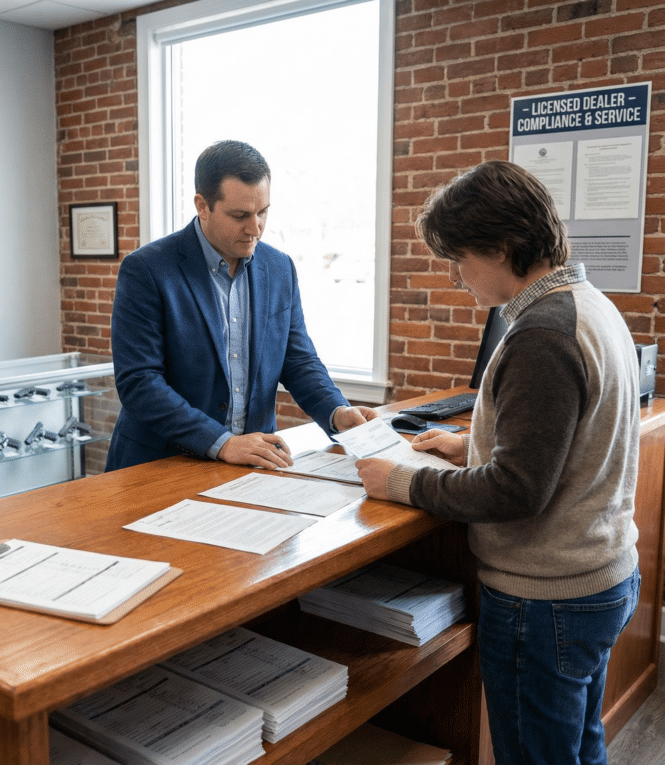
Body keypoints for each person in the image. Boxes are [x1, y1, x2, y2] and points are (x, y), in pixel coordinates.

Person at [356, 160, 641, 765]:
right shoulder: (587, 303)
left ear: (504, 246)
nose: (458, 277)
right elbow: (575, 440)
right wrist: (473, 446)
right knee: (579, 747)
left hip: (547, 598)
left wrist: (402, 482)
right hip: (601, 574)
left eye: (461, 258)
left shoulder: (542, 333)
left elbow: (517, 492)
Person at [106, 140, 375, 472]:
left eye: (263, 212)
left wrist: (336, 411)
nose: (256, 228)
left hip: (253, 463)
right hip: (162, 465)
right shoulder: (146, 269)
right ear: (202, 206)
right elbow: (140, 382)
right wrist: (222, 442)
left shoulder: (279, 268)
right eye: (240, 215)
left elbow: (297, 359)